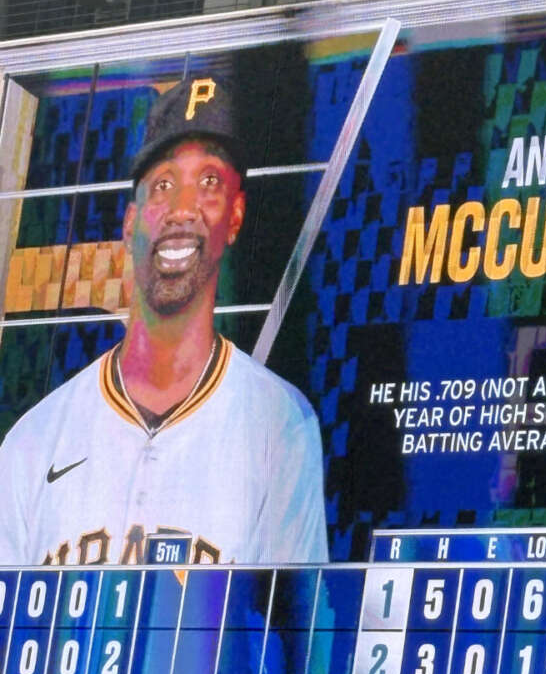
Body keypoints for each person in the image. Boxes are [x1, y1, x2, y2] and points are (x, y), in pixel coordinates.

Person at [0, 76, 327, 567]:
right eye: (164, 185)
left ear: (236, 216)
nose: (181, 210)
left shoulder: (281, 425)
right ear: (131, 220)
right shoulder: (34, 439)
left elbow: (293, 637)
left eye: (210, 182)